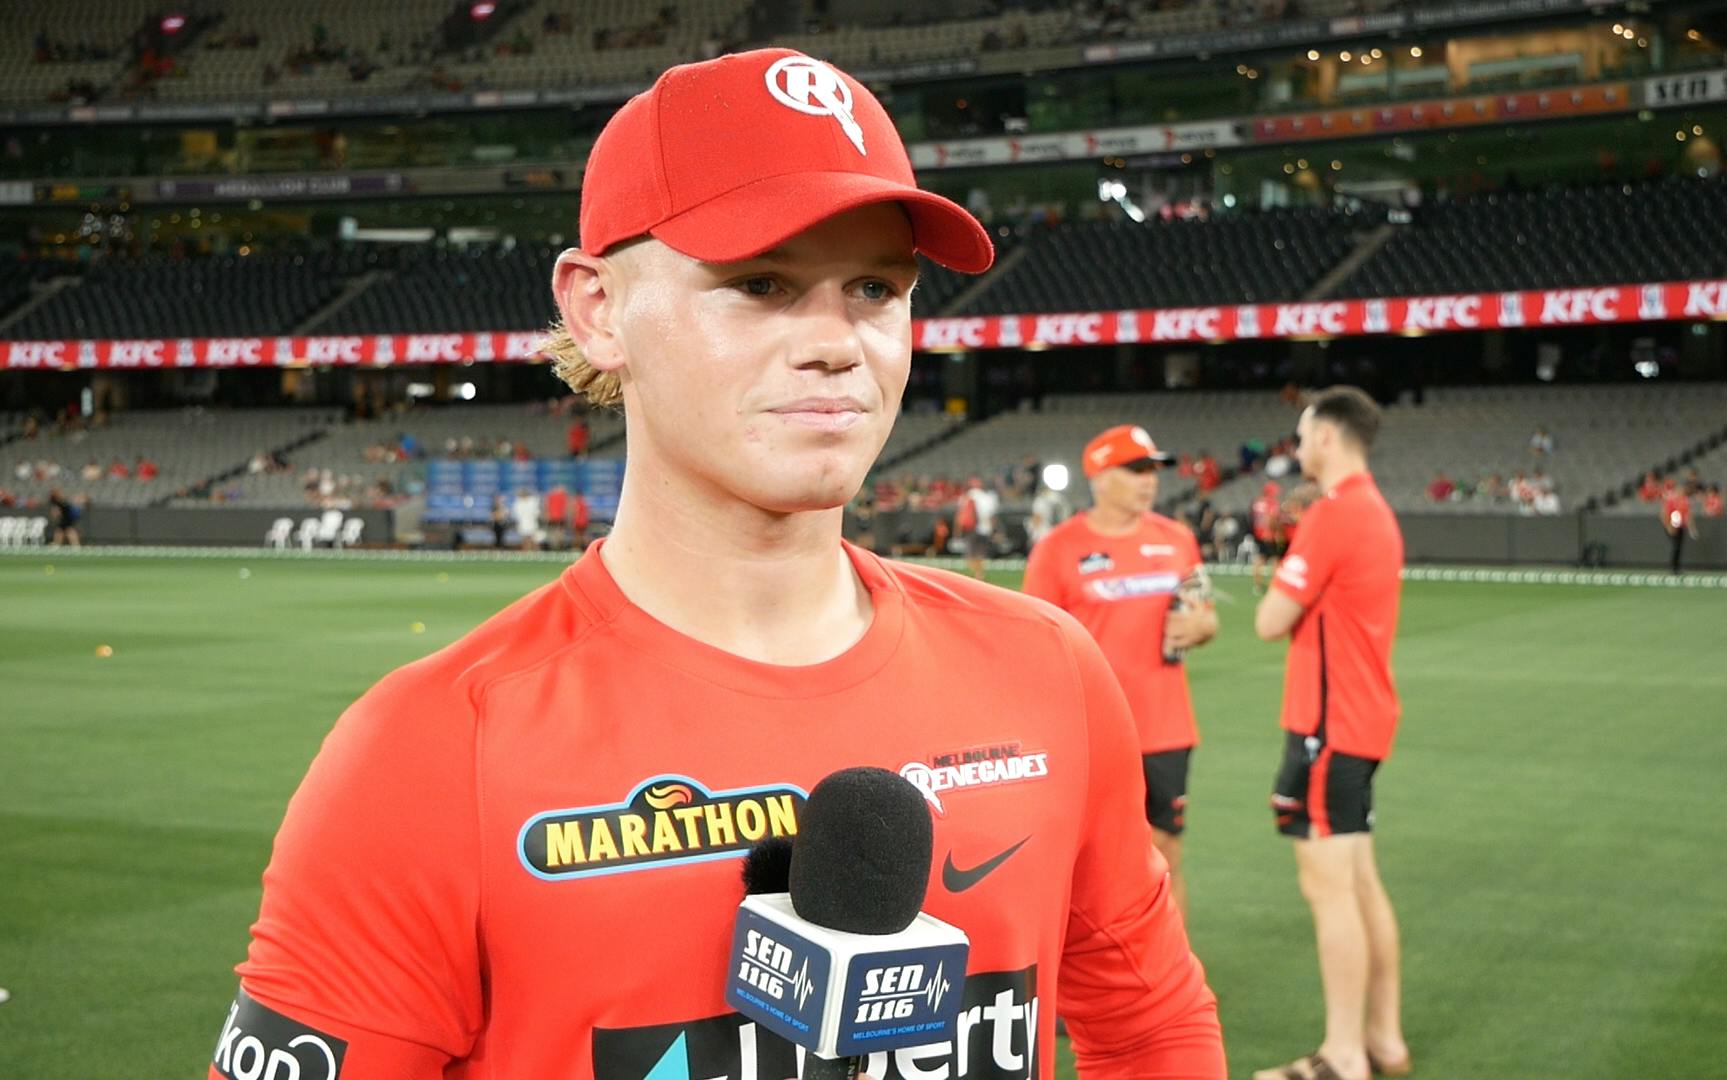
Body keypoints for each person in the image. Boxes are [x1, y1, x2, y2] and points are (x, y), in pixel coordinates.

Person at [210, 48, 1223, 1080]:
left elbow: (1152, 1034)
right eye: (761, 284)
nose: (837, 342)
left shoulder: (1049, 673)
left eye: (875, 286)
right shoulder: (429, 753)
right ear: (598, 308)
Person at [1253, 387, 1410, 1080]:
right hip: (1362, 721)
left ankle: (1344, 1055)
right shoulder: (1376, 510)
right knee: (1363, 881)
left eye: (1302, 432)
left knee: (1331, 891)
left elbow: (1269, 619)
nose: (1297, 445)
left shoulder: (1335, 514)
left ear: (1326, 436)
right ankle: (1385, 1039)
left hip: (1327, 728)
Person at [1023, 424, 1219, 918]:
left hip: (1166, 727)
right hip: (1088, 735)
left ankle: (1173, 979)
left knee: (1166, 857)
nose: (1148, 480)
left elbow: (1204, 612)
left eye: (1153, 470)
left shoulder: (1177, 540)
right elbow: (1031, 646)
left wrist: (1201, 626)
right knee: (1082, 864)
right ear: (1100, 476)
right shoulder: (1057, 550)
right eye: (1135, 470)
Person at [958, 474, 997, 579]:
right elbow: (992, 516)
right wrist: (993, 531)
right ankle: (980, 574)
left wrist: (957, 531)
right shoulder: (987, 497)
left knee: (970, 554)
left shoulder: (967, 496)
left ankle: (977, 574)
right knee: (981, 553)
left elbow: (960, 515)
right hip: (984, 529)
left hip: (971, 529)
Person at [1251, 480, 1282, 594]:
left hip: (1258, 534)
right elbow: (1271, 519)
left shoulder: (1257, 502)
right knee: (1276, 560)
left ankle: (1257, 585)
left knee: (1259, 559)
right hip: (1269, 535)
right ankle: (1276, 586)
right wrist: (1277, 532)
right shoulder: (1272, 503)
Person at [1662, 482, 1697, 574]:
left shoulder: (1685, 501)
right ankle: (1674, 567)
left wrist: (1691, 528)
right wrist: (1668, 526)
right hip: (1672, 526)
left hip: (1681, 526)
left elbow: (1688, 515)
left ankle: (1676, 567)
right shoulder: (1671, 500)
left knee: (1679, 547)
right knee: (1676, 546)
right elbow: (1664, 514)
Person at [511, 486, 541, 551]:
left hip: (532, 521)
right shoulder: (518, 502)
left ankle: (536, 551)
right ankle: (526, 551)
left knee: (534, 538)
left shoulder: (533, 501)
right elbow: (515, 513)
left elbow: (536, 511)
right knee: (525, 538)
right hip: (523, 522)